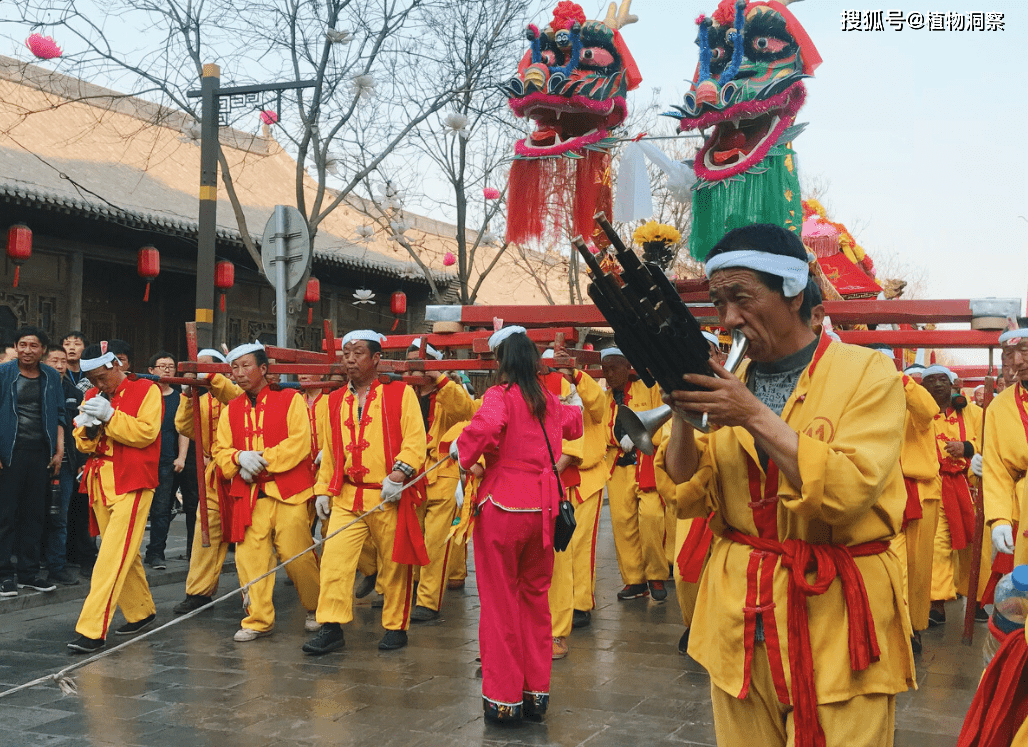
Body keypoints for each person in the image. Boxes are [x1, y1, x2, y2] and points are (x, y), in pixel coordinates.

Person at [661, 224, 912, 747]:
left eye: (742, 298)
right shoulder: (732, 380)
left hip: (839, 620)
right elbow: (684, 488)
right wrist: (682, 410)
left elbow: (846, 491)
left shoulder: (870, 372)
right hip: (739, 621)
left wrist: (750, 413)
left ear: (795, 292)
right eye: (719, 302)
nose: (728, 319)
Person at [303, 330, 428, 654]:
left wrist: (400, 473)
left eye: (357, 352)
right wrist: (322, 492)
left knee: (395, 562)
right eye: (346, 353)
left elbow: (416, 440)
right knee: (334, 561)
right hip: (347, 496)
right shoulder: (332, 401)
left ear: (376, 359)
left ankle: (395, 626)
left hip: (387, 494)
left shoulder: (401, 394)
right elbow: (330, 454)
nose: (349, 358)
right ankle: (331, 626)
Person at [212, 341, 321, 642]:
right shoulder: (230, 409)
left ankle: (317, 607)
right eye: (234, 368)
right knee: (250, 558)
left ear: (263, 369)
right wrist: (237, 458)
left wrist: (259, 461)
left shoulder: (290, 399)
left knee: (296, 554)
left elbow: (300, 443)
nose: (240, 373)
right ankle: (258, 619)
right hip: (249, 495)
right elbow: (220, 450)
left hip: (288, 492)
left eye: (246, 366)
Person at [68, 342, 162, 652]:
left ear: (115, 366)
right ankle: (140, 611)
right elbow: (81, 441)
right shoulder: (93, 395)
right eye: (92, 379)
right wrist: (89, 429)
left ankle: (92, 630)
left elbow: (146, 433)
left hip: (132, 480)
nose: (97, 384)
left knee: (110, 558)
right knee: (123, 552)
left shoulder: (146, 390)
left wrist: (109, 417)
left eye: (101, 377)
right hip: (100, 481)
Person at [405, 339, 474, 623]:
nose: (414, 371)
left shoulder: (450, 390)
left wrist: (439, 379)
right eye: (410, 364)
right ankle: (409, 588)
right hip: (411, 475)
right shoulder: (404, 394)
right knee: (412, 537)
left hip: (443, 474)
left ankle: (428, 601)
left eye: (419, 365)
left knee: (435, 541)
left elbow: (466, 411)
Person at [172, 348, 243, 614]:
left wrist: (210, 377)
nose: (199, 371)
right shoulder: (201, 402)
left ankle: (255, 592)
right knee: (208, 531)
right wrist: (187, 395)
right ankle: (198, 593)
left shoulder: (239, 395)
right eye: (196, 367)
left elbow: (233, 397)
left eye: (206, 367)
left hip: (244, 473)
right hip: (214, 475)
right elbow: (184, 427)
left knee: (253, 536)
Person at [545, 349, 604, 657]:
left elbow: (597, 406)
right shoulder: (537, 389)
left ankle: (580, 604)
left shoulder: (580, 387)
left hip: (584, 476)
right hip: (546, 481)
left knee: (576, 547)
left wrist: (577, 375)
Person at [0, 327, 65, 597]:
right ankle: (5, 575)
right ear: (16, 347)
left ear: (43, 350)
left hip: (40, 453)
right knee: (5, 515)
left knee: (34, 514)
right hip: (9, 452)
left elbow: (60, 414)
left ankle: (28, 573)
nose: (28, 350)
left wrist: (59, 450)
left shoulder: (50, 376)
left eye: (34, 345)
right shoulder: (4, 374)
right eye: (23, 345)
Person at [601, 347, 667, 601]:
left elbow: (663, 421)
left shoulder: (648, 389)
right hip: (617, 466)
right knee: (622, 523)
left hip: (645, 462)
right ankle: (634, 580)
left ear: (627, 367)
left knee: (651, 518)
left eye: (613, 369)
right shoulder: (605, 398)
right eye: (605, 370)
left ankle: (657, 576)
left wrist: (641, 437)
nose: (608, 375)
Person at [922, 365, 985, 624]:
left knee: (976, 545)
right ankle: (936, 604)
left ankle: (978, 600)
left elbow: (991, 441)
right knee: (937, 547)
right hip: (934, 487)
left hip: (968, 487)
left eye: (942, 380)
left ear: (952, 383)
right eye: (931, 381)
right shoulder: (917, 413)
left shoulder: (974, 412)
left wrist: (967, 447)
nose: (937, 385)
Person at [890, 362, 940, 655]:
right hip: (884, 492)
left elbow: (927, 408)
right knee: (892, 565)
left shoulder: (916, 407)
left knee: (918, 569)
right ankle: (896, 626)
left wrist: (901, 380)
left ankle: (914, 627)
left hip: (919, 495)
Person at [983, 327, 1028, 570]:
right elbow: (996, 468)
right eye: (1009, 353)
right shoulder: (999, 407)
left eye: (1024, 350)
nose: (1017, 361)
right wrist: (999, 518)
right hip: (1022, 512)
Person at [42, 346, 85, 586]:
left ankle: (56, 566)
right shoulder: (35, 386)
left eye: (62, 361)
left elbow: (81, 429)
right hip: (37, 461)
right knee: (31, 514)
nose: (59, 366)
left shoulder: (74, 392)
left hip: (67, 464)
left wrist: (80, 462)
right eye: (54, 361)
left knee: (60, 517)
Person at [143, 351, 190, 570]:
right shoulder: (144, 394)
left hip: (166, 460)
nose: (167, 370)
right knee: (139, 508)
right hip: (143, 459)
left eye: (170, 366)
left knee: (162, 510)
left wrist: (181, 457)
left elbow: (184, 430)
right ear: (151, 371)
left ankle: (156, 553)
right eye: (161, 366)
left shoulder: (179, 398)